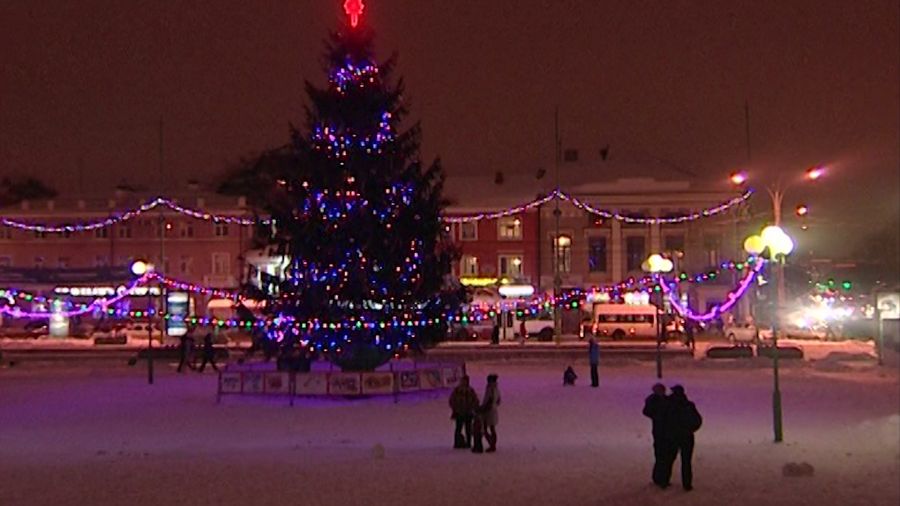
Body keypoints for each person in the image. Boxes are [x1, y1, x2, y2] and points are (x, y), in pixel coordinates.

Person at [667, 385, 702, 491]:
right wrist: (690, 429)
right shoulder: (689, 405)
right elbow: (697, 420)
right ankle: (687, 484)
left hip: (673, 436)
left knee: (669, 459)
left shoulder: (668, 405)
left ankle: (664, 480)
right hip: (687, 436)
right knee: (686, 462)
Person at [642, 383, 673, 488]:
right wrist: (657, 416)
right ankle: (659, 478)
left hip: (666, 430)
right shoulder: (653, 400)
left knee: (664, 455)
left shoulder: (666, 400)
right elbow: (647, 412)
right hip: (659, 431)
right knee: (660, 455)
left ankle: (662, 477)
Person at [448, 375, 480, 449]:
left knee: (468, 429)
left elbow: (475, 400)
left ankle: (468, 443)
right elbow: (452, 400)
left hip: (468, 413)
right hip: (459, 412)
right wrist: (455, 408)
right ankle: (457, 442)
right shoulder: (457, 390)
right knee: (458, 428)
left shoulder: (470, 390)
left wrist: (472, 408)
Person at [481, 374, 501, 453]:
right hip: (494, 409)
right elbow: (499, 400)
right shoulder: (496, 389)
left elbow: (488, 400)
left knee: (486, 428)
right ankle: (493, 444)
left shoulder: (490, 389)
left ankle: (492, 444)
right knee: (492, 428)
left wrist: (483, 408)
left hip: (489, 410)